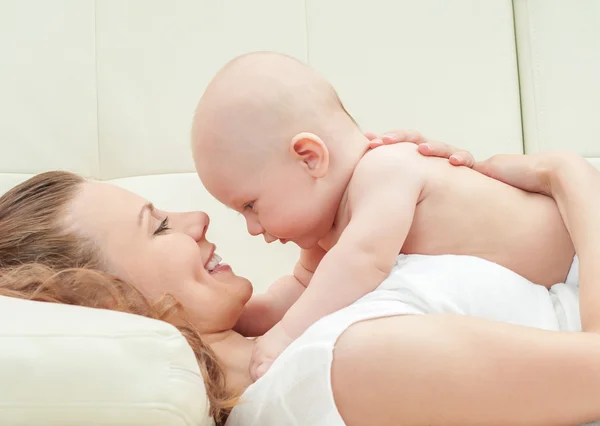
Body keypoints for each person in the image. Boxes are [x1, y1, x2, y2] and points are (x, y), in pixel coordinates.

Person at [0, 138, 599, 426]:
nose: (198, 218)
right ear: (108, 301)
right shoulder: (342, 364)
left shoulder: (308, 337)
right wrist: (567, 176)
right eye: (157, 227)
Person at [190, 52, 575, 379]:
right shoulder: (332, 235)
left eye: (250, 206)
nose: (253, 229)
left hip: (578, 256)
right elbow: (295, 294)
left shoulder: (384, 170)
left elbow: (362, 263)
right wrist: (236, 319)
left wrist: (286, 335)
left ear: (309, 158)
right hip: (553, 291)